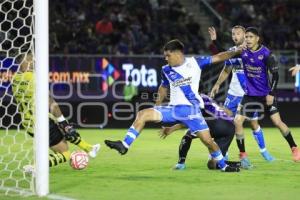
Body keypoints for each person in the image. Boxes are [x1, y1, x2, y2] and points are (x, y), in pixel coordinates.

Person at [105, 39, 243, 172]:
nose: (166, 58)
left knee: (208, 142)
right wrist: (156, 106)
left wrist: (237, 50)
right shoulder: (166, 69)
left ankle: (224, 166)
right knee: (143, 114)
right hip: (174, 110)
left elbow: (219, 57)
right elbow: (163, 88)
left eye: (168, 55)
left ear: (178, 53)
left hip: (192, 111)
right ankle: (124, 145)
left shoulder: (195, 62)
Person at [11, 52, 100, 170]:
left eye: (33, 60)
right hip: (41, 122)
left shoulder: (15, 78)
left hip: (28, 122)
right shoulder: (34, 78)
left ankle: (89, 148)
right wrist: (63, 121)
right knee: (65, 152)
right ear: (20, 62)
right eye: (28, 60)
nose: (32, 63)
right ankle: (36, 167)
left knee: (66, 133)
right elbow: (50, 101)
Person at [209, 26, 274, 168]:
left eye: (238, 33)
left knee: (254, 123)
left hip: (249, 94)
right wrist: (217, 84)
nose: (235, 36)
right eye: (233, 34)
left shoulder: (252, 51)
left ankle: (264, 151)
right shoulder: (234, 51)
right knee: (225, 122)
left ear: (245, 35)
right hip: (233, 94)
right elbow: (226, 70)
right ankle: (222, 152)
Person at [233, 27, 300, 165]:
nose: (248, 39)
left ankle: (294, 148)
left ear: (257, 38)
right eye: (246, 37)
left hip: (265, 95)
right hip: (250, 96)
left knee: (277, 122)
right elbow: (225, 53)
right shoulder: (242, 51)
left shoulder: (266, 54)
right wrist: (214, 42)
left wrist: (271, 94)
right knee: (237, 121)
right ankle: (243, 155)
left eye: (251, 37)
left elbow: (275, 75)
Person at [159, 94, 241, 170]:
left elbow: (192, 118)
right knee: (213, 165)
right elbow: (227, 112)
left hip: (217, 123)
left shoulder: (193, 98)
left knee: (188, 134)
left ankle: (181, 164)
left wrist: (172, 129)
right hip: (230, 127)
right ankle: (236, 164)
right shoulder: (204, 97)